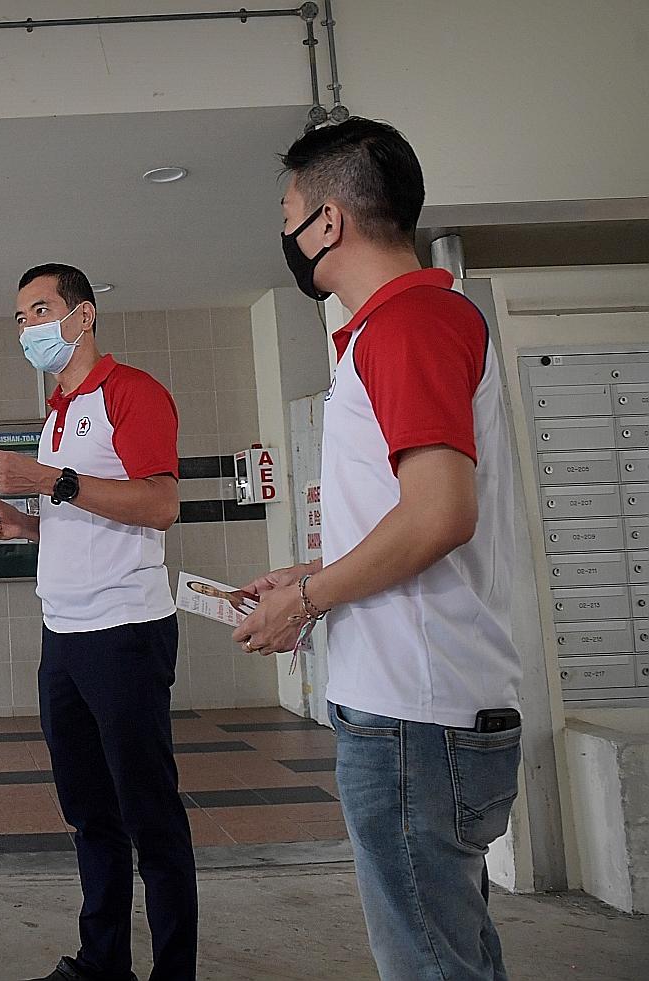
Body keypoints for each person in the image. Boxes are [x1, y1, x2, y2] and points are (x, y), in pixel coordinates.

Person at [233, 118, 522, 981]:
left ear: (329, 223)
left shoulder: (410, 321)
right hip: (423, 713)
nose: (284, 233)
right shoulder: (398, 326)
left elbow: (439, 516)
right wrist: (308, 572)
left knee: (430, 966)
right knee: (457, 949)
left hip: (413, 722)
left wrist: (309, 603)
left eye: (288, 211)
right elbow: (410, 514)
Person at [0, 263, 195, 981]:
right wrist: (24, 524)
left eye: (41, 309)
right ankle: (103, 963)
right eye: (20, 317)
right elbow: (84, 514)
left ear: (84, 315)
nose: (29, 327)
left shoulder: (133, 393)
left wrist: (44, 481)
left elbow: (159, 505)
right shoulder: (58, 414)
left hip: (126, 630)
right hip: (63, 636)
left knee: (150, 817)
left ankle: (174, 971)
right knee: (88, 815)